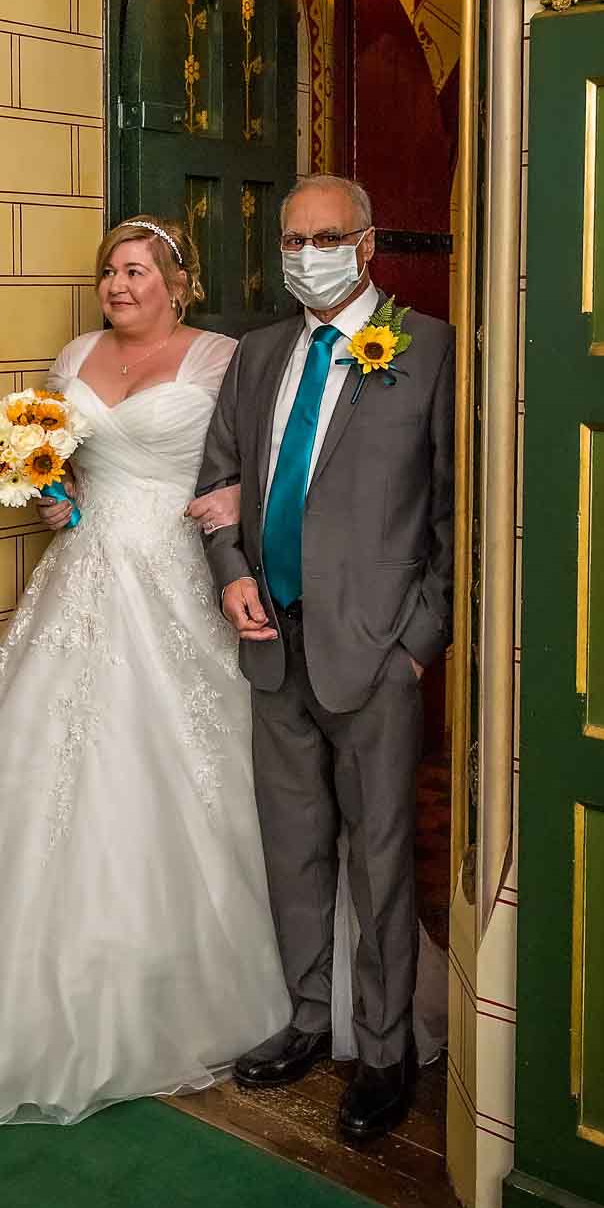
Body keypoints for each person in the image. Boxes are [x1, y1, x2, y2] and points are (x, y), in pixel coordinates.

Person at [0, 216, 291, 1124]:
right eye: (108, 271)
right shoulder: (75, 352)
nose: (118, 285)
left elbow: (269, 462)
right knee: (49, 762)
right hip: (83, 575)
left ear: (179, 282)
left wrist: (233, 505)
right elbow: (54, 454)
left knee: (183, 766)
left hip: (179, 576)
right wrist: (49, 492)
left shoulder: (223, 358)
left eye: (136, 271)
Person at [197, 173, 454, 1144]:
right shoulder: (258, 355)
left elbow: (451, 512)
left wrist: (415, 646)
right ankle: (309, 1019)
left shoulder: (427, 348)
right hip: (273, 641)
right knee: (292, 847)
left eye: (325, 235)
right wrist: (228, 573)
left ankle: (383, 1052)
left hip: (375, 650)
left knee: (380, 858)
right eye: (292, 238)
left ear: (367, 240)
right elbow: (216, 478)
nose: (308, 252)